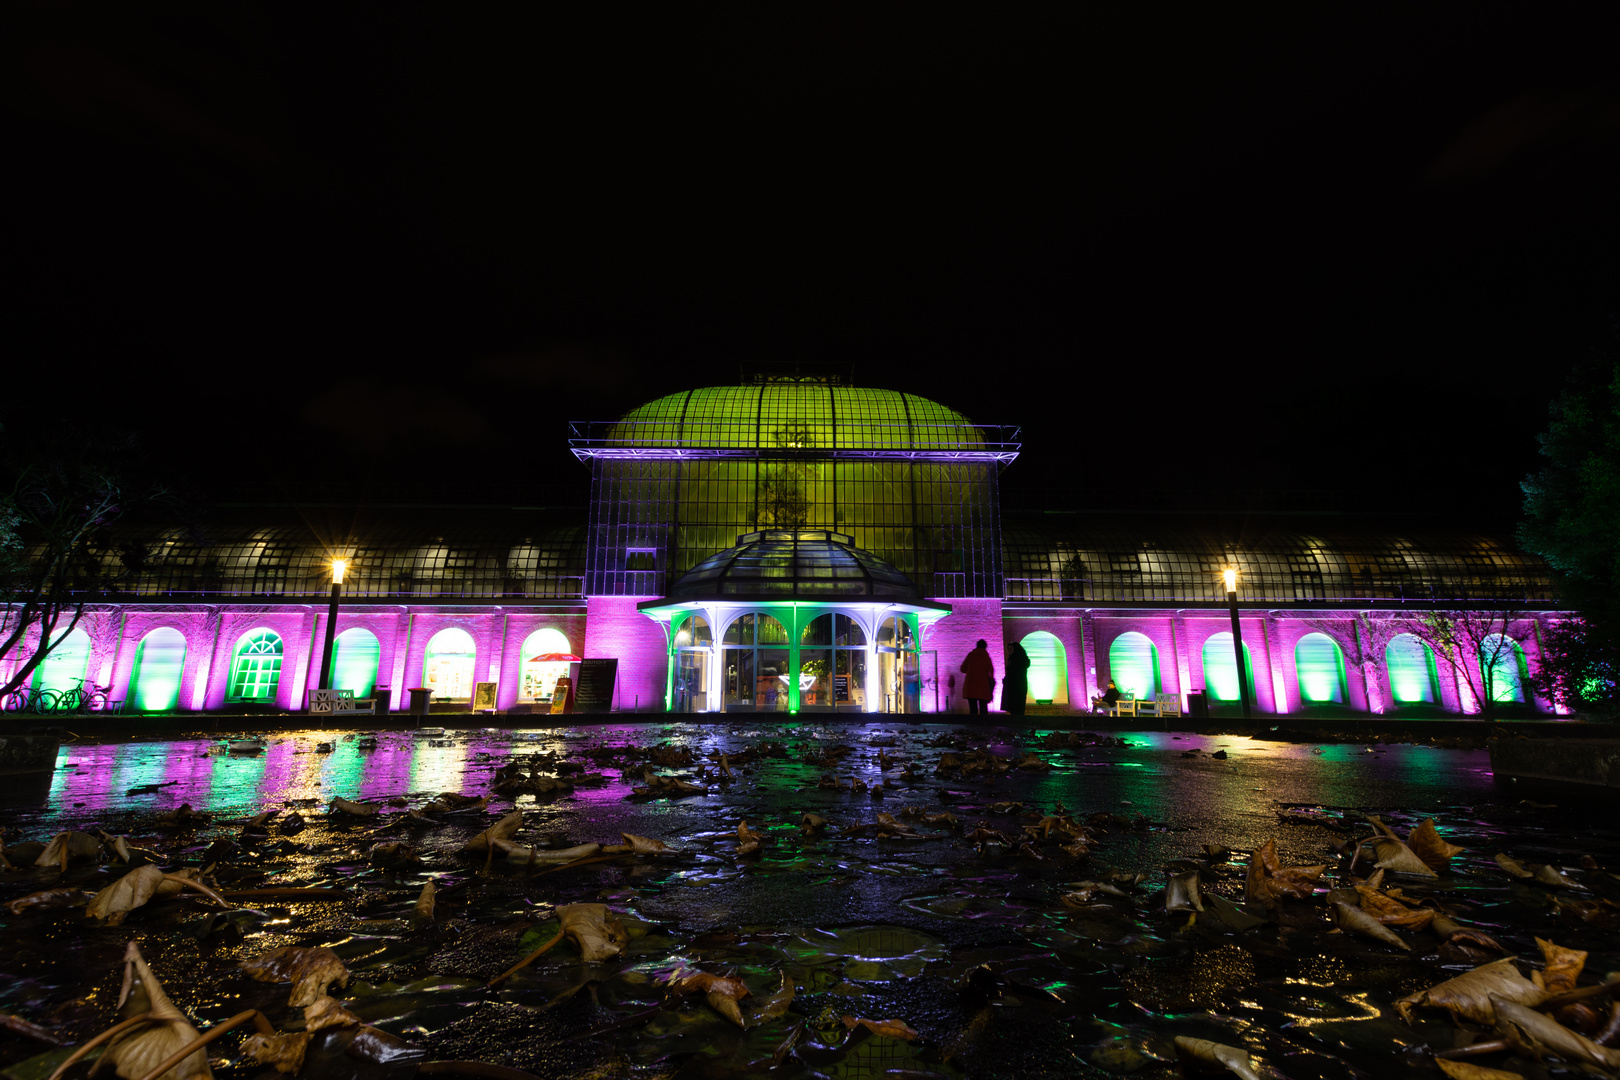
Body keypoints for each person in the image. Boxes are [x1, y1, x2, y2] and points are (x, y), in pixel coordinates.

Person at [960, 639, 995, 716]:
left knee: (973, 710)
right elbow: (991, 672)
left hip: (971, 686)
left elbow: (962, 669)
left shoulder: (971, 655)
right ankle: (984, 726)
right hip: (983, 686)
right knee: (983, 709)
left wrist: (970, 672)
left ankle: (973, 725)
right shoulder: (986, 657)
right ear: (985, 647)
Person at [1002, 640, 1030, 716]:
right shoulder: (1014, 659)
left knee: (1017, 707)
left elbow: (1015, 673)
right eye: (1008, 649)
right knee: (1014, 708)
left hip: (1017, 686)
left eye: (1011, 649)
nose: (1009, 651)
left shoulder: (1018, 660)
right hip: (1013, 686)